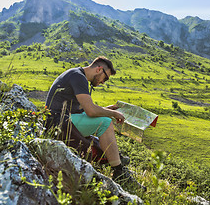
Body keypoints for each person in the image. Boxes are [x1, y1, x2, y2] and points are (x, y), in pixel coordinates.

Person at [44, 56, 142, 188]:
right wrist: (112, 113)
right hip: (59, 121)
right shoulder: (78, 77)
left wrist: (107, 109)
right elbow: (90, 111)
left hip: (61, 119)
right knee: (106, 123)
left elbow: (83, 109)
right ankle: (119, 171)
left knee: (104, 119)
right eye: (105, 78)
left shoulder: (77, 75)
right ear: (99, 69)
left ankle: (115, 160)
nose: (103, 82)